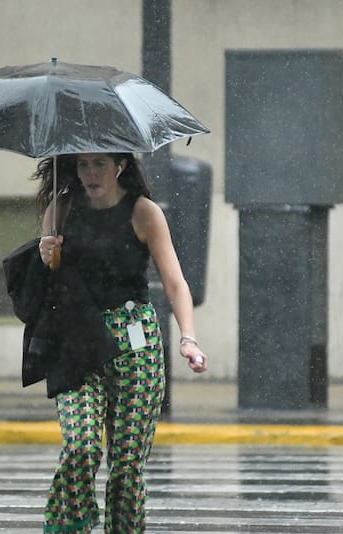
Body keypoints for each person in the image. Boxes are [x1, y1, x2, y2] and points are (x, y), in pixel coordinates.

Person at [34, 152, 208, 533]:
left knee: (127, 466)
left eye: (99, 164)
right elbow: (49, 285)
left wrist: (188, 339)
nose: (90, 173)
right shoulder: (60, 209)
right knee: (82, 447)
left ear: (121, 166)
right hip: (78, 338)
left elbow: (175, 282)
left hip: (136, 342)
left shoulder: (144, 213)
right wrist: (47, 257)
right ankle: (69, 526)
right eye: (82, 165)